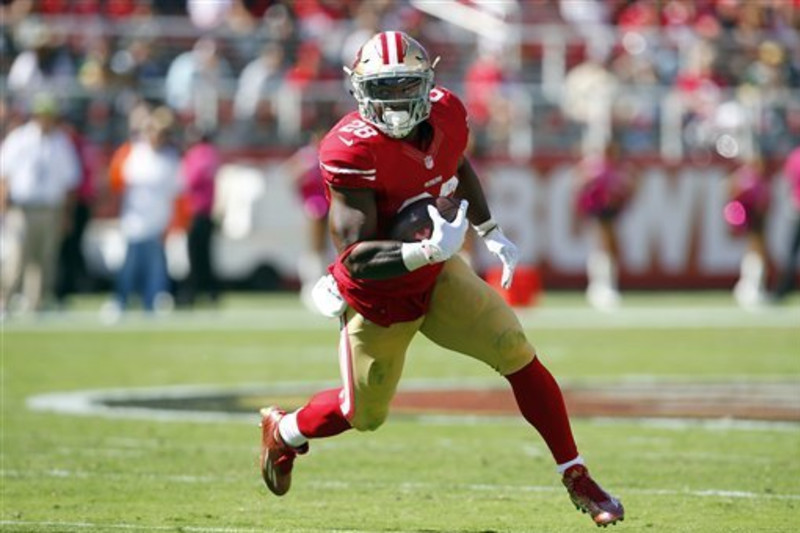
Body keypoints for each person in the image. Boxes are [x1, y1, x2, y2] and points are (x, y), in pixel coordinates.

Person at [258, 32, 624, 527]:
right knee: (363, 414)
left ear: (426, 83)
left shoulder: (447, 112)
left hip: (439, 273)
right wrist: (426, 248)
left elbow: (456, 161)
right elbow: (355, 256)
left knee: (514, 347)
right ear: (359, 90)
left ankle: (576, 472)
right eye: (381, 88)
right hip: (377, 295)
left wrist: (488, 228)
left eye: (403, 86)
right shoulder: (348, 149)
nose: (393, 100)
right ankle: (285, 432)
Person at [0, 94, 80, 315]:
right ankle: (4, 301)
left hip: (50, 208)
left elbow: (70, 182)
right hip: (22, 207)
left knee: (45, 259)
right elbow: (4, 175)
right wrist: (3, 208)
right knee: (16, 257)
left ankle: (36, 303)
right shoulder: (19, 139)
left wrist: (66, 214)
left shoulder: (61, 142)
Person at [105, 106, 182, 318]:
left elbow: (177, 193)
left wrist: (173, 222)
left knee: (157, 268)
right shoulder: (133, 153)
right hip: (134, 220)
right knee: (129, 266)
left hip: (158, 221)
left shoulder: (170, 158)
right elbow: (117, 183)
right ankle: (120, 301)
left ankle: (153, 302)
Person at [574, 138, 635, 310]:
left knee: (610, 249)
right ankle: (600, 287)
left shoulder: (619, 169)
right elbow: (580, 184)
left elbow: (629, 189)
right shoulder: (595, 167)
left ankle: (605, 286)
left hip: (610, 212)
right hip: (598, 211)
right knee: (603, 247)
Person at [279, 126, 331, 312]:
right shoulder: (308, 155)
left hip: (328, 203)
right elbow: (289, 173)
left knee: (326, 247)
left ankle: (324, 285)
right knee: (315, 247)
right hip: (315, 204)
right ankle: (310, 286)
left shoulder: (328, 151)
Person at [180, 128, 221, 306]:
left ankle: (193, 293)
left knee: (195, 256)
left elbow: (190, 180)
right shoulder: (213, 155)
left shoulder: (198, 154)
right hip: (207, 211)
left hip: (196, 210)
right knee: (205, 256)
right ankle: (211, 292)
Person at [724, 153, 771, 308]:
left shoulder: (750, 178)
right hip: (752, 219)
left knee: (754, 252)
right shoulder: (748, 178)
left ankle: (751, 286)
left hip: (754, 219)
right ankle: (750, 287)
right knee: (756, 251)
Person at [772, 145, 800, 301]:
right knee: (791, 251)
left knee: (791, 252)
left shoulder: (795, 156)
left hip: (797, 207)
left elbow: (788, 180)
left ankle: (784, 288)